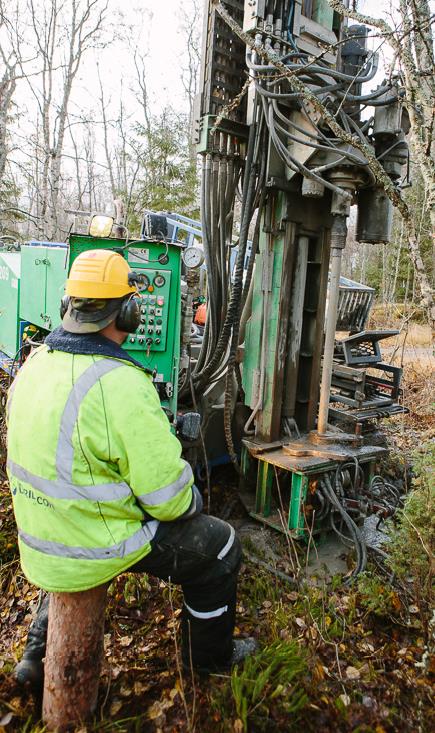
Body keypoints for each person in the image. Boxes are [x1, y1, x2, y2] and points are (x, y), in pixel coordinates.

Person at [7, 248, 255, 691]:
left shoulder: (33, 365)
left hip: (41, 539)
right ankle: (209, 661)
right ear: (129, 313)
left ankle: (36, 651)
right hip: (92, 544)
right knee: (221, 548)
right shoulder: (120, 383)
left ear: (68, 307)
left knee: (74, 536)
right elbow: (170, 500)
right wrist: (193, 497)